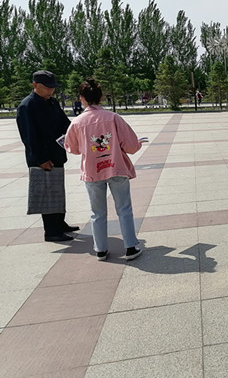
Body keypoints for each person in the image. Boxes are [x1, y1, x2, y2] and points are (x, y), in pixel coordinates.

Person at [64, 78, 146, 261]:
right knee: (124, 209)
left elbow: (72, 148)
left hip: (92, 171)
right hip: (116, 167)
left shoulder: (77, 122)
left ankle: (100, 249)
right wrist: (137, 144)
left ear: (82, 98)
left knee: (97, 212)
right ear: (101, 98)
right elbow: (131, 146)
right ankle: (130, 247)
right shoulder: (113, 118)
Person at [16, 70, 80, 242]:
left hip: (56, 154)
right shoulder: (27, 106)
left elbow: (64, 124)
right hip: (42, 158)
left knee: (57, 190)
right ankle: (51, 231)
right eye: (47, 87)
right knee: (47, 194)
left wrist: (77, 133)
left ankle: (60, 223)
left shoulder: (52, 102)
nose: (50, 91)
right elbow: (29, 137)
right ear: (35, 85)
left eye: (52, 87)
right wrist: (41, 159)